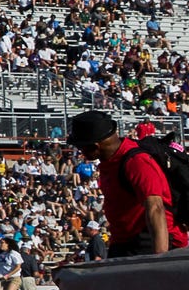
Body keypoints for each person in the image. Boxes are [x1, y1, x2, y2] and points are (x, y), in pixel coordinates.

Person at [69, 110, 182, 259]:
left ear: (95, 146)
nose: (81, 152)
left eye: (81, 147)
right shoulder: (110, 161)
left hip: (149, 241)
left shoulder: (136, 162)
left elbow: (155, 207)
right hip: (125, 241)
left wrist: (160, 260)